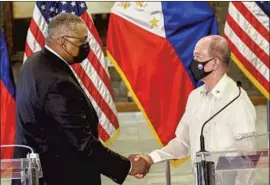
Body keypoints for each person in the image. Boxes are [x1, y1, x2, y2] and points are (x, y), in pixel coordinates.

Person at [14, 13, 150, 185]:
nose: (87, 46)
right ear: (63, 41)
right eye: (82, 41)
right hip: (59, 177)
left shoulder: (34, 63)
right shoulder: (57, 81)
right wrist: (128, 166)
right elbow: (81, 142)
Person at [134, 35, 256, 185]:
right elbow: (183, 142)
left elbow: (247, 160)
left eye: (199, 56)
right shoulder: (195, 97)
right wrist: (151, 158)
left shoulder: (238, 101)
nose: (194, 63)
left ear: (215, 62)